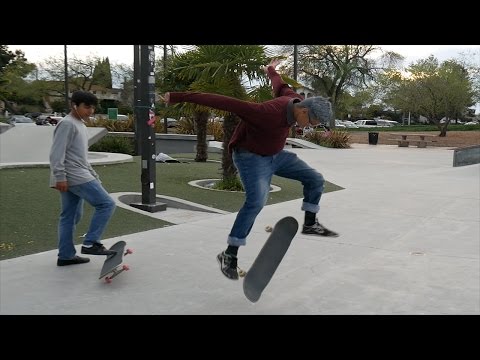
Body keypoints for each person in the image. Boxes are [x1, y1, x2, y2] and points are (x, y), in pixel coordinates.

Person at [163, 58, 338, 280]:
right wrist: (177, 97)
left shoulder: (292, 97)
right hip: (250, 157)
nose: (310, 127)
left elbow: (278, 83)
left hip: (276, 155)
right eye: (311, 123)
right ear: (303, 111)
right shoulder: (265, 112)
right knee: (256, 201)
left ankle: (310, 223)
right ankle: (229, 254)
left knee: (315, 179)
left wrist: (270, 69)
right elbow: (222, 102)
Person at [50, 90, 116, 266]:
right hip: (74, 175)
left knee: (70, 217)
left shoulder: (80, 124)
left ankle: (65, 256)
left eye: (93, 107)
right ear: (74, 106)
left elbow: (82, 157)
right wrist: (60, 176)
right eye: (87, 107)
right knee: (106, 204)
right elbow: (56, 153)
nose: (91, 111)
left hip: (76, 173)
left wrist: (94, 175)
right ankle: (91, 243)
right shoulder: (67, 124)